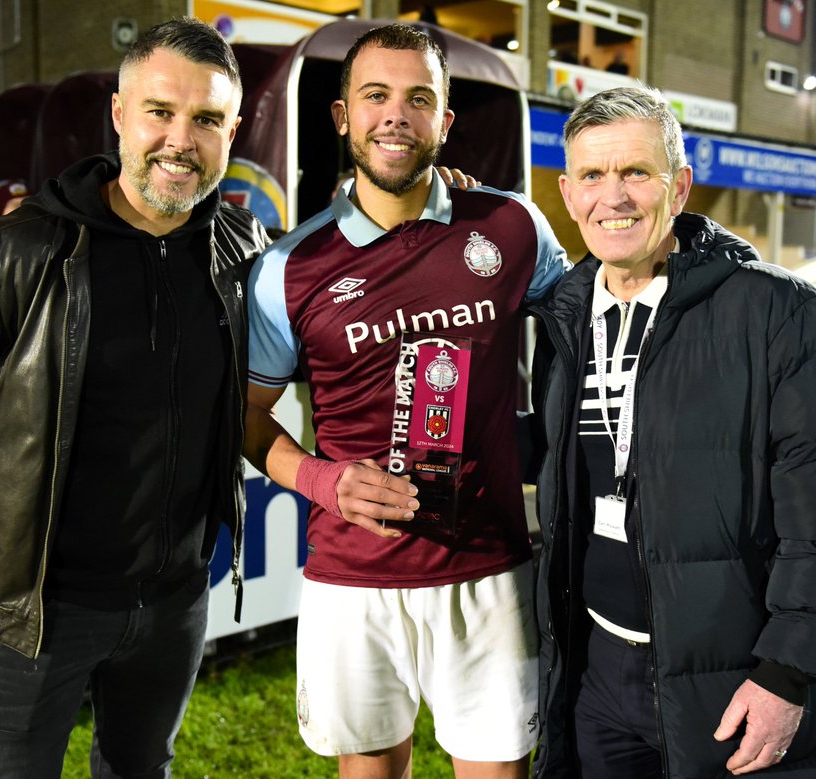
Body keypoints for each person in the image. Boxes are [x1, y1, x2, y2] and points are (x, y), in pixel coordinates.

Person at [0, 18, 269, 778]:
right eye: (160, 111)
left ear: (232, 131)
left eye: (206, 119)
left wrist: (434, 206)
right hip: (32, 618)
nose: (180, 139)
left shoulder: (239, 249)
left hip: (175, 603)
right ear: (119, 114)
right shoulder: (14, 251)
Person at [244, 24, 568, 779]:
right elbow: (249, 418)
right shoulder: (288, 269)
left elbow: (589, 323)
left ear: (444, 122)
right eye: (376, 96)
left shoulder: (512, 227)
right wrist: (325, 481)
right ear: (342, 116)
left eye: (419, 98)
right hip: (353, 581)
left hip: (488, 572)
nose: (397, 114)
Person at [528, 85, 816, 778]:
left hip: (731, 680)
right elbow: (571, 455)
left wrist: (786, 674)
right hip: (596, 670)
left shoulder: (777, 310)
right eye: (593, 175)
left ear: (679, 186)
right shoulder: (564, 314)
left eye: (637, 173)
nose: (614, 196)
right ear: (568, 195)